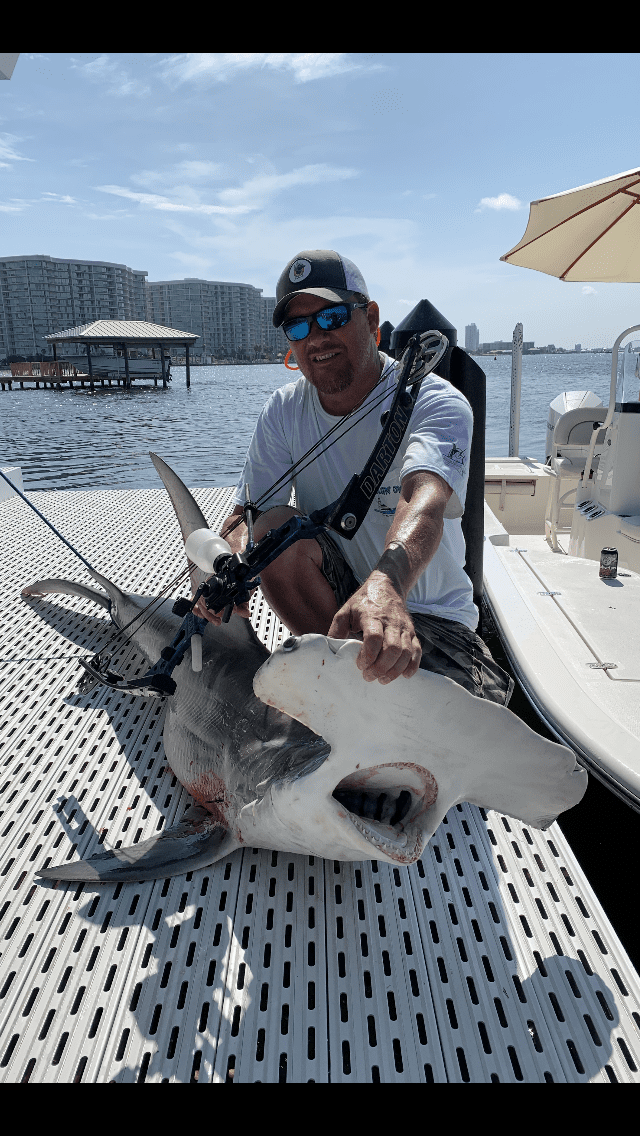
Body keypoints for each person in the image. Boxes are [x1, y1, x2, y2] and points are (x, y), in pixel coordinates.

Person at [196, 250, 512, 704]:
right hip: (339, 610)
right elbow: (247, 514)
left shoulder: (435, 400)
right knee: (273, 532)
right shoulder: (284, 410)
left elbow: (425, 499)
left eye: (332, 316)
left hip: (431, 618)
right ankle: (344, 683)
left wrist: (387, 585)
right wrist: (229, 565)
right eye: (299, 327)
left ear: (371, 320)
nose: (316, 337)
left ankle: (347, 694)